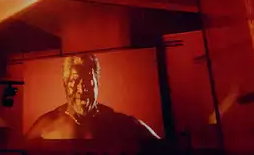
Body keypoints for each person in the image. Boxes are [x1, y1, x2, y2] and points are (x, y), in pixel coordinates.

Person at [25, 53, 159, 142]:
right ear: (65, 84)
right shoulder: (45, 125)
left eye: (88, 80)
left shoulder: (121, 123)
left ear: (97, 83)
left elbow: (163, 149)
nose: (81, 88)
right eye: (75, 81)